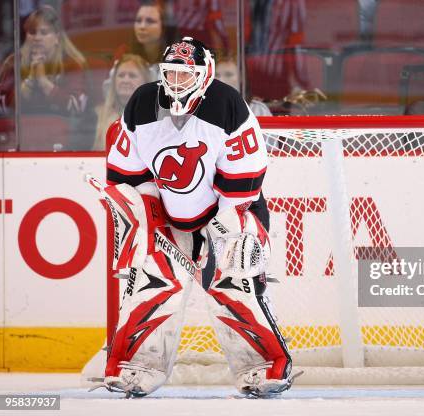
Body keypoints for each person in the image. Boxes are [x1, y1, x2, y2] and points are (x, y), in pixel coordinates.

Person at [92, 37, 294, 398]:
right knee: (152, 282)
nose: (177, 81)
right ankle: (138, 365)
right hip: (167, 214)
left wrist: (218, 236)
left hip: (230, 209)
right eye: (171, 72)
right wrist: (153, 219)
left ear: (206, 73)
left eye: (186, 74)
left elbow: (242, 184)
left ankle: (263, 365)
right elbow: (127, 173)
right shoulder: (142, 103)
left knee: (233, 282)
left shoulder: (226, 104)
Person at [0, 4, 91, 150]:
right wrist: (28, 82)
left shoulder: (72, 63)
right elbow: (1, 106)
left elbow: (78, 108)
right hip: (16, 139)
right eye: (32, 32)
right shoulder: (12, 63)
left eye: (44, 32)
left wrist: (43, 81)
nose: (37, 38)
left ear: (56, 37)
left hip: (62, 141)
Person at [93, 54, 151, 151]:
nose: (125, 80)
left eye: (132, 76)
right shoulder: (95, 116)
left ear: (145, 82)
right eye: (121, 75)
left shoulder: (159, 118)